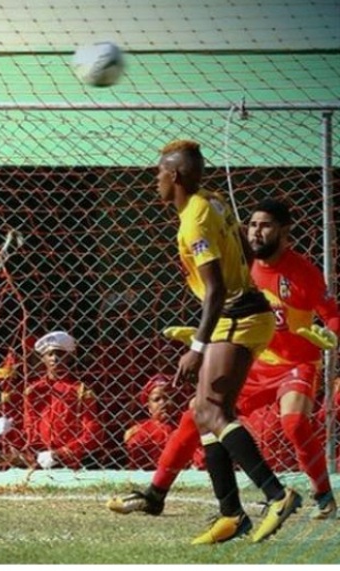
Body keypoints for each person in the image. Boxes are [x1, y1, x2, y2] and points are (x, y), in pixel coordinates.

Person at [108, 198, 338, 523]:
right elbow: (227, 312)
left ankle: (324, 497)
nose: (256, 233)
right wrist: (202, 335)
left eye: (266, 226)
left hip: (297, 364)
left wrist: (330, 336)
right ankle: (155, 494)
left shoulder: (303, 272)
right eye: (253, 225)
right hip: (255, 362)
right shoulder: (242, 268)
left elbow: (332, 316)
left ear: (285, 231)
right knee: (197, 415)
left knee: (295, 423)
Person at [116, 140, 298, 545]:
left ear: (175, 175)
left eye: (158, 173)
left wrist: (197, 347)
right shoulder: (211, 199)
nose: (156, 181)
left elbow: (215, 289)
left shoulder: (193, 221)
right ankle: (231, 514)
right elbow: (241, 253)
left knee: (213, 411)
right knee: (204, 410)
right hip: (244, 310)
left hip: (236, 313)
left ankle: (276, 493)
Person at [20, 331, 103, 470]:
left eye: (60, 354)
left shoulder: (81, 391)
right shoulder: (33, 391)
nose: (55, 358)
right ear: (43, 359)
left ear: (68, 357)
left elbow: (92, 432)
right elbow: (29, 427)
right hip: (39, 457)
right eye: (50, 354)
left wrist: (60, 454)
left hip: (73, 461)